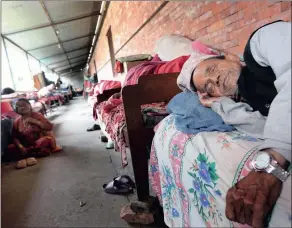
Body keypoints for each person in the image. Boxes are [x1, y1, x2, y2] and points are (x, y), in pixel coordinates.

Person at [177, 21, 291, 227]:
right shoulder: (250, 101)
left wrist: (272, 163)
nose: (216, 79)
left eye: (212, 69)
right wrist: (220, 105)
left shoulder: (261, 41)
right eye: (209, 86)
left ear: (228, 56)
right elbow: (268, 127)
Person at [12, 98, 61, 169]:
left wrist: (35, 121)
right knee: (12, 148)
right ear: (16, 110)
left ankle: (31, 153)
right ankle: (34, 153)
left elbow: (49, 127)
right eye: (19, 106)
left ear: (30, 106)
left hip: (39, 142)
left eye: (24, 105)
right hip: (27, 145)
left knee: (46, 140)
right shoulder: (17, 121)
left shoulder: (38, 115)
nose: (22, 107)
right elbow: (14, 137)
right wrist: (20, 146)